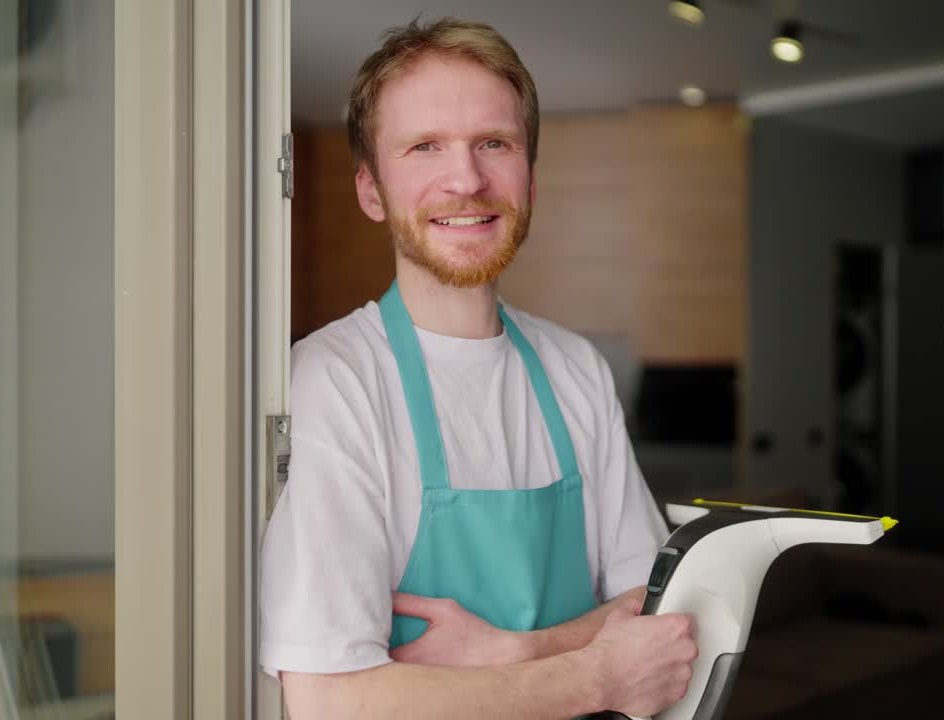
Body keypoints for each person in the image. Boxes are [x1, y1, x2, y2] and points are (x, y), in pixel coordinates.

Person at [259, 17, 698, 719]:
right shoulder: (334, 381)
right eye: (424, 147)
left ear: (528, 173)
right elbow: (329, 698)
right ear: (371, 192)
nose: (465, 179)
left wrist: (520, 651)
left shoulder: (573, 368)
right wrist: (595, 677)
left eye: (494, 143)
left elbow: (660, 609)